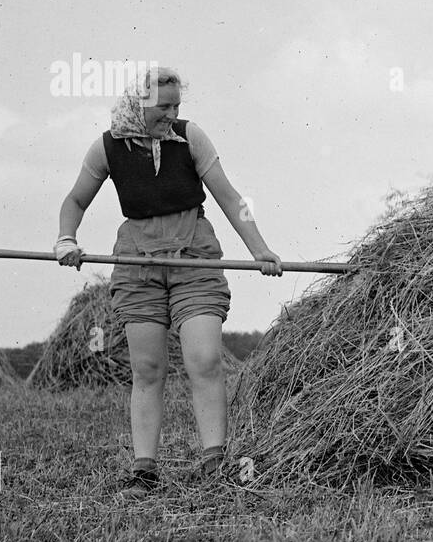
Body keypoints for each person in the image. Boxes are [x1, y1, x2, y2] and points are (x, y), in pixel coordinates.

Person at [53, 66, 283, 496]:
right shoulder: (107, 147)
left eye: (177, 105)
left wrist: (260, 249)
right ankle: (144, 471)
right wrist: (67, 239)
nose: (172, 113)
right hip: (137, 263)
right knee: (148, 368)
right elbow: (75, 200)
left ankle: (215, 462)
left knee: (205, 359)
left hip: (193, 258)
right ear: (139, 104)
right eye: (164, 106)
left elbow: (231, 199)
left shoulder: (190, 138)